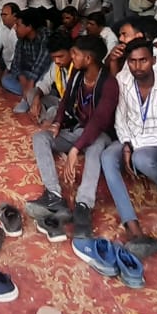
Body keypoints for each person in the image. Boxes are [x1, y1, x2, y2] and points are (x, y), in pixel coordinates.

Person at [24, 34, 118, 239]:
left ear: (88, 58)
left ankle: (83, 206)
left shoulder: (109, 84)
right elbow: (65, 101)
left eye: (75, 54)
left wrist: (75, 149)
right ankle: (54, 195)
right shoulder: (77, 75)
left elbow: (99, 121)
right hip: (76, 129)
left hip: (99, 134)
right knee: (41, 138)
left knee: (95, 148)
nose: (72, 57)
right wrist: (58, 123)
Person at [98, 39, 157, 256]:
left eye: (143, 60)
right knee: (107, 156)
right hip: (129, 139)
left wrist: (133, 146)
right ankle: (131, 224)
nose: (137, 67)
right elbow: (120, 119)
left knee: (141, 159)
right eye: (132, 61)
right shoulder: (123, 80)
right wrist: (127, 143)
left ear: (153, 60)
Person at [4, 8, 51, 114]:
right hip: (28, 74)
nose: (15, 28)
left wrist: (31, 82)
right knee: (6, 80)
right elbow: (16, 63)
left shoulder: (45, 36)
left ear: (29, 27)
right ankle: (30, 94)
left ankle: (29, 97)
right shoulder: (21, 39)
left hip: (42, 74)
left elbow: (42, 63)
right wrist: (23, 80)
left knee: (45, 76)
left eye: (18, 25)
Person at [26, 32, 74, 125]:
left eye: (60, 56)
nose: (57, 61)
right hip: (61, 102)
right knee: (32, 93)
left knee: (53, 111)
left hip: (71, 109)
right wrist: (37, 98)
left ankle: (45, 121)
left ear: (71, 52)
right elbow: (45, 83)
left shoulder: (78, 68)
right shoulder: (56, 65)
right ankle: (44, 120)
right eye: (53, 57)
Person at [0, 2, 20, 73]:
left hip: (17, 65)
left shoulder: (19, 31)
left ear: (14, 16)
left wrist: (6, 71)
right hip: (4, 61)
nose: (2, 17)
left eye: (5, 15)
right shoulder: (2, 28)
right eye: (1, 15)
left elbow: (17, 56)